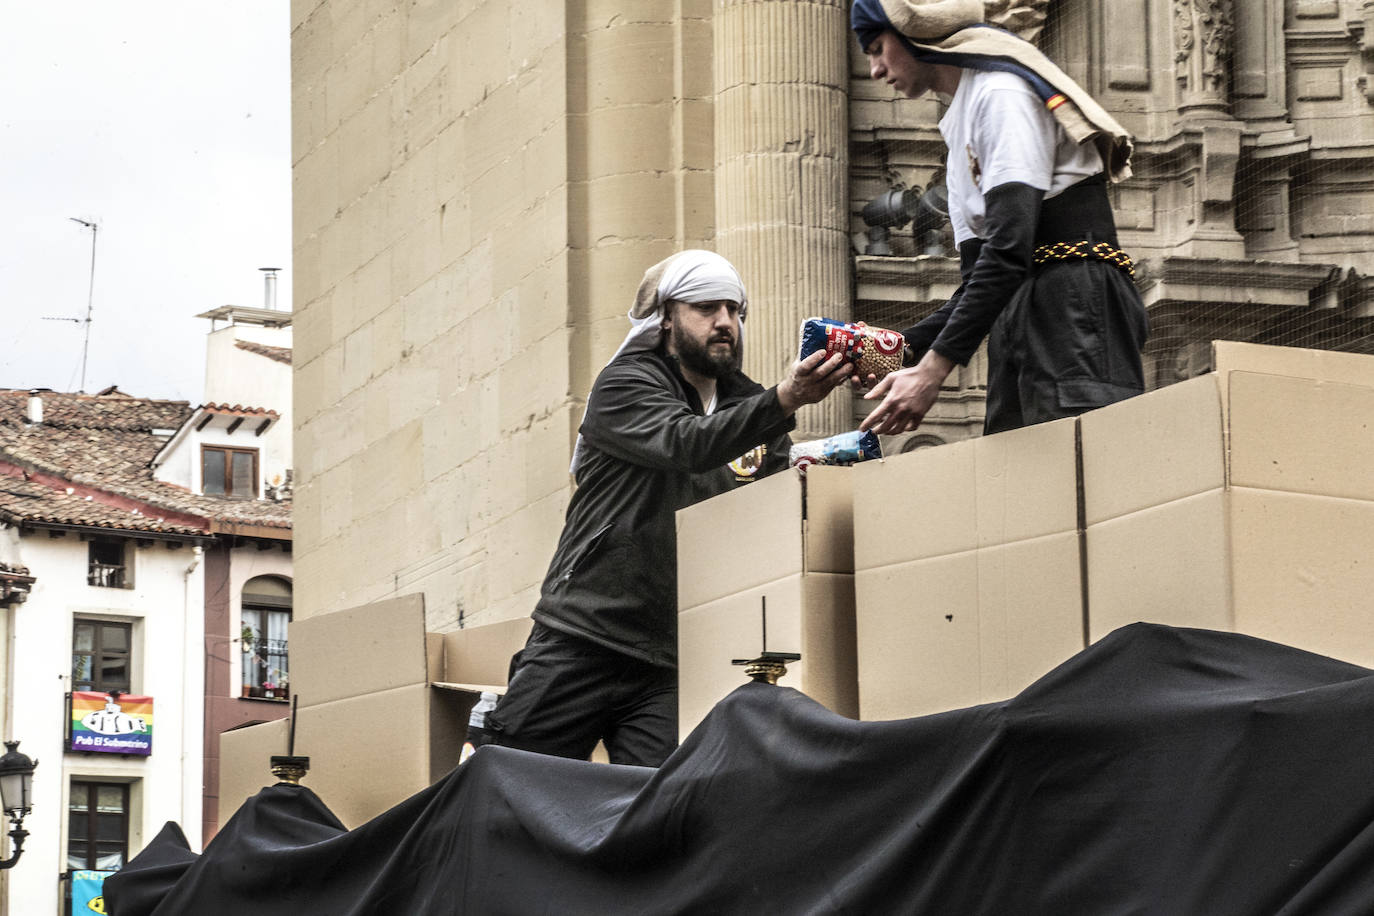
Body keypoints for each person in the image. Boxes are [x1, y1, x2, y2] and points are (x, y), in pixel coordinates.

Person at [480, 249, 849, 767]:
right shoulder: (626, 384)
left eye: (734, 309)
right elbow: (687, 444)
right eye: (705, 307)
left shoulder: (755, 415)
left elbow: (764, 522)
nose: (725, 322)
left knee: (660, 813)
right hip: (585, 637)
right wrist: (786, 398)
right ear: (667, 317)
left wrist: (817, 486)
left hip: (676, 656)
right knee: (508, 785)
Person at [851, 0, 1148, 436]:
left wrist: (932, 372)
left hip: (1073, 302)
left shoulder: (1000, 92)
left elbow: (1008, 251)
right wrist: (897, 350)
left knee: (1080, 460)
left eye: (878, 48)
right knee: (1016, 472)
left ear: (917, 34)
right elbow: (980, 278)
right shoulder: (960, 122)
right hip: (1024, 309)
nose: (876, 69)